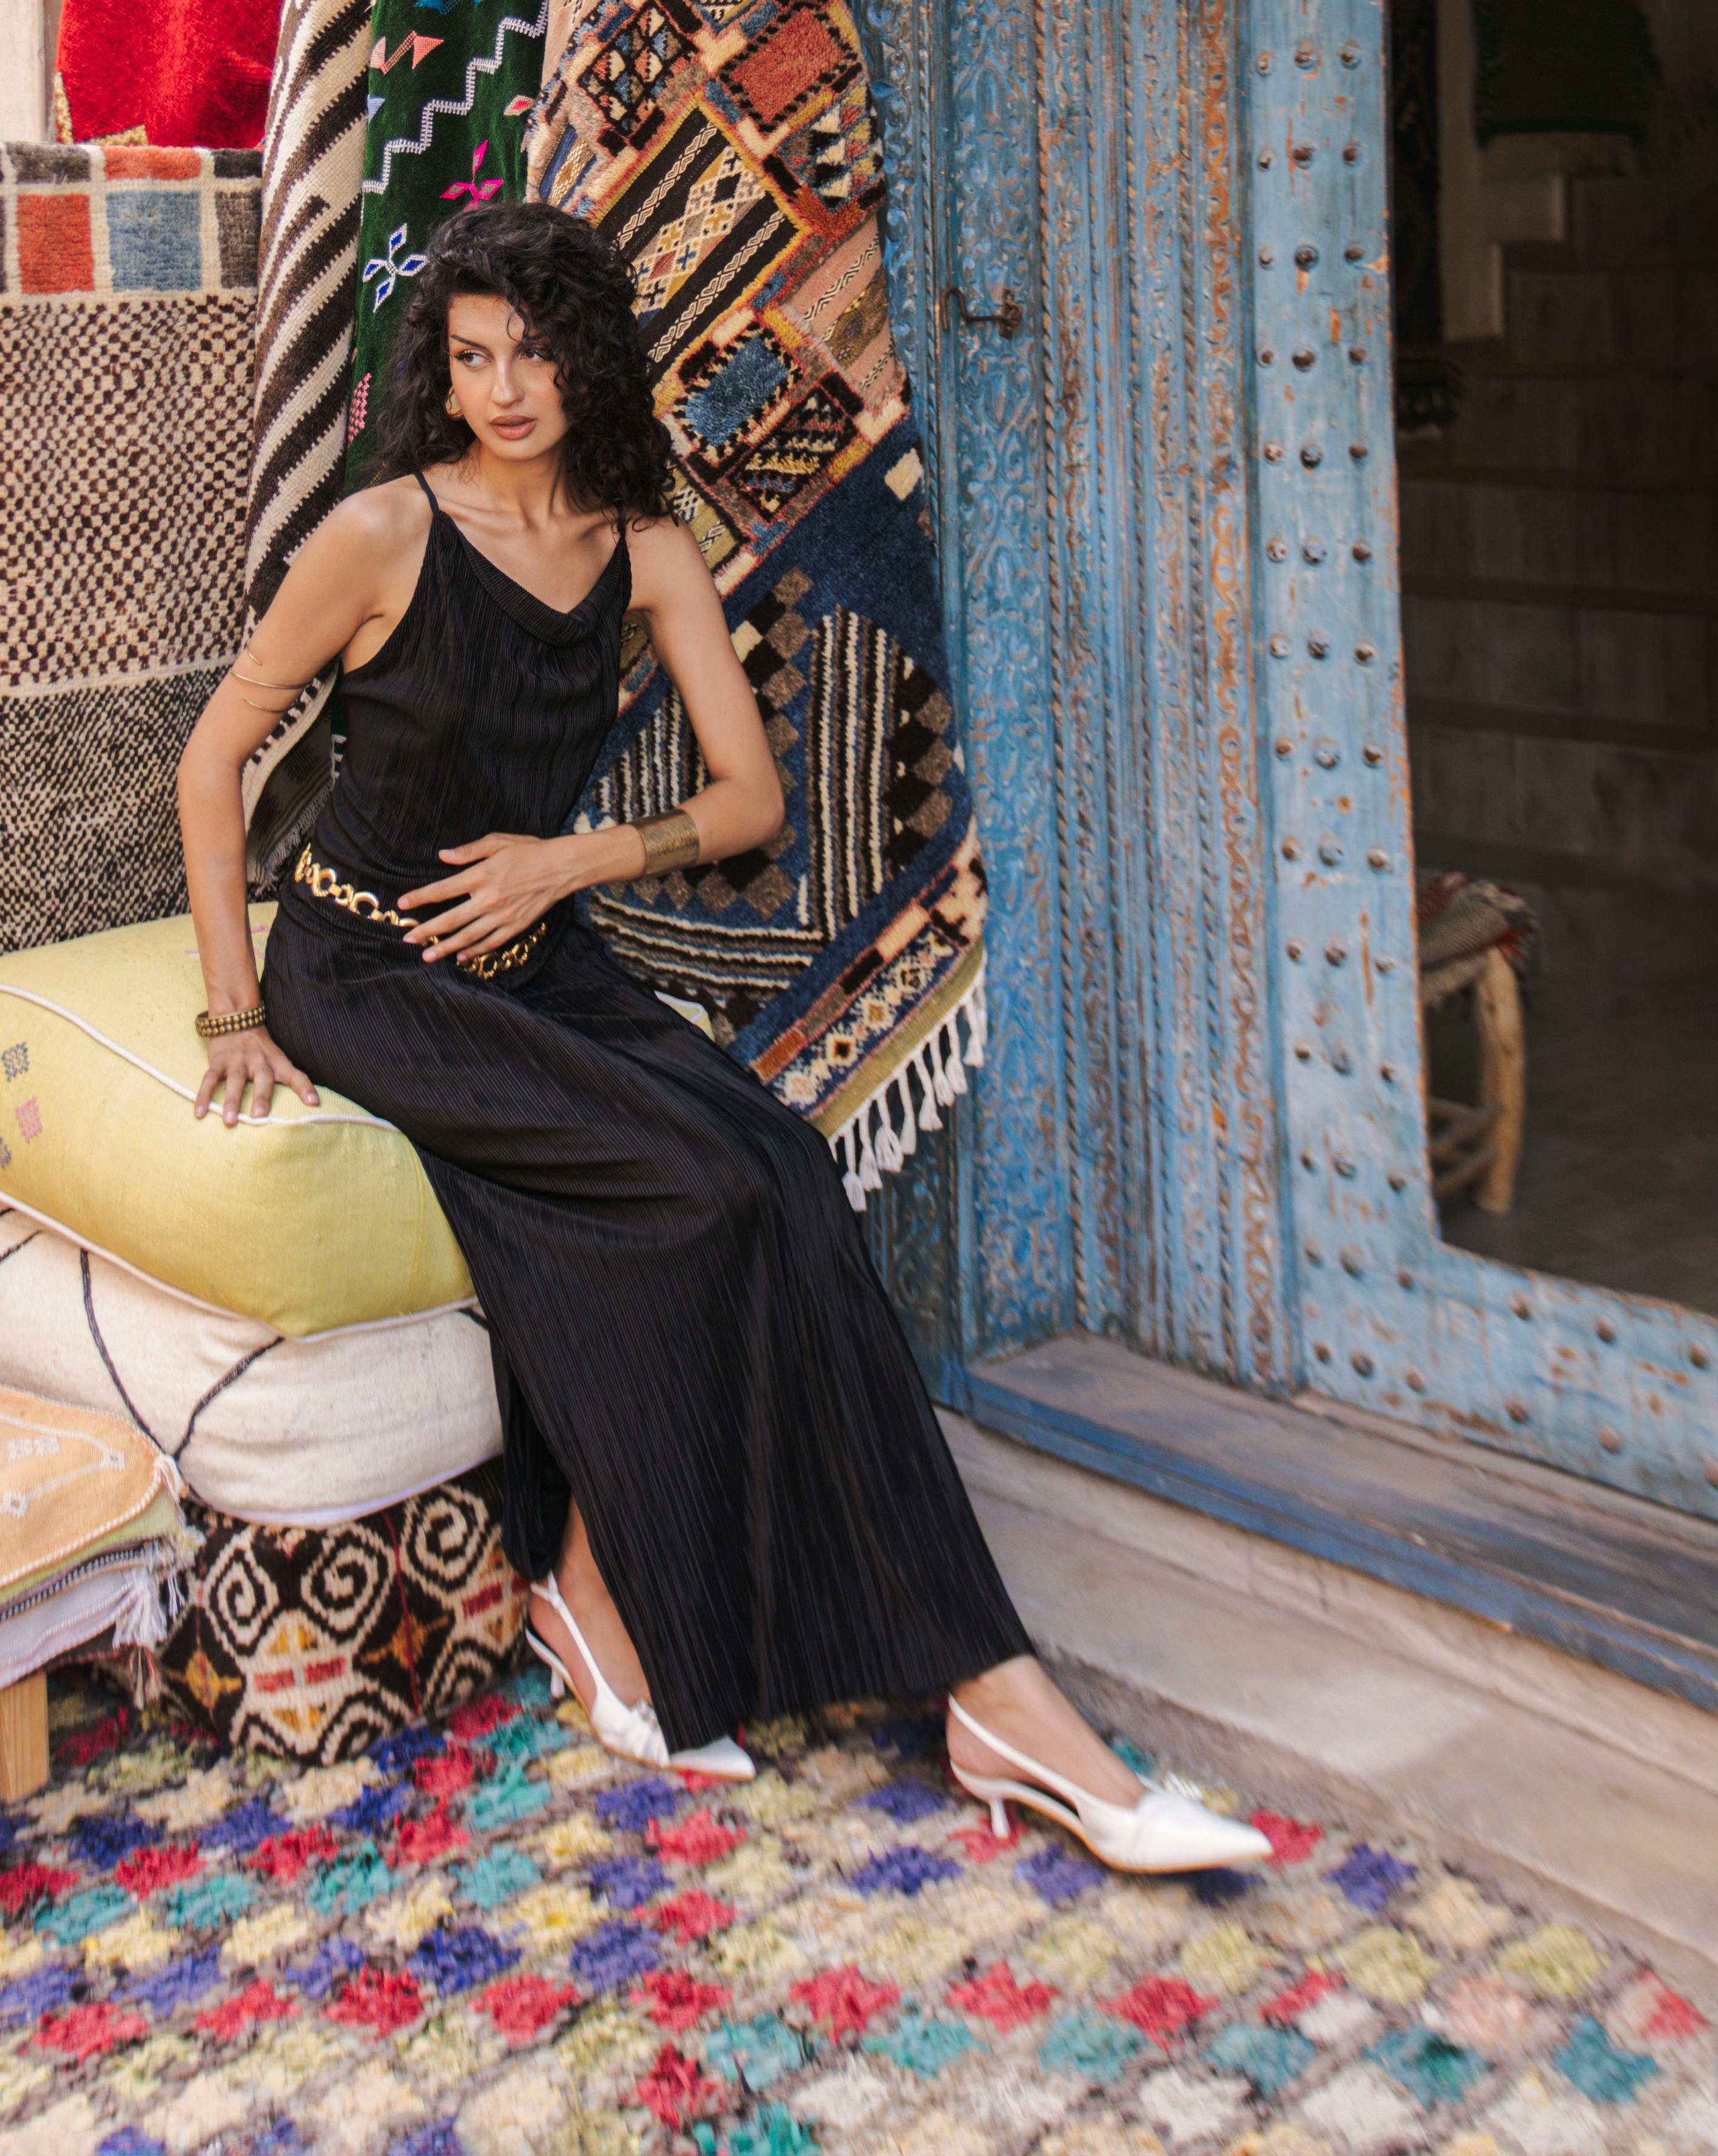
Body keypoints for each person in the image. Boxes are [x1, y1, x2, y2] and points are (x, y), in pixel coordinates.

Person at [177, 205, 1265, 1868]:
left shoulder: (649, 547)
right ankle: (646, 1606)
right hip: (373, 969)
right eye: (471, 358)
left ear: (588, 355)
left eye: (534, 351)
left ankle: (966, 1681)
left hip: (542, 950)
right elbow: (213, 763)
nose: (504, 388)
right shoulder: (381, 534)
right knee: (691, 1187)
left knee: (777, 1161)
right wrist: (235, 1007)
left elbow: (748, 799)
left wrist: (580, 855)